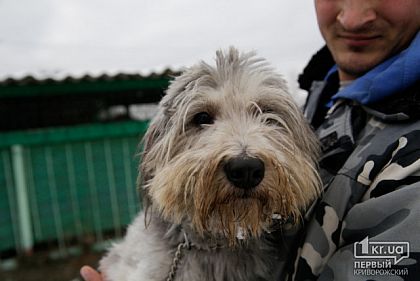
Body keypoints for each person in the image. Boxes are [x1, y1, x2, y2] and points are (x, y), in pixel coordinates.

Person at [81, 0, 420, 280]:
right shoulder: (321, 103)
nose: (353, 17)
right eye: (202, 119)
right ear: (155, 153)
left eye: (268, 116)